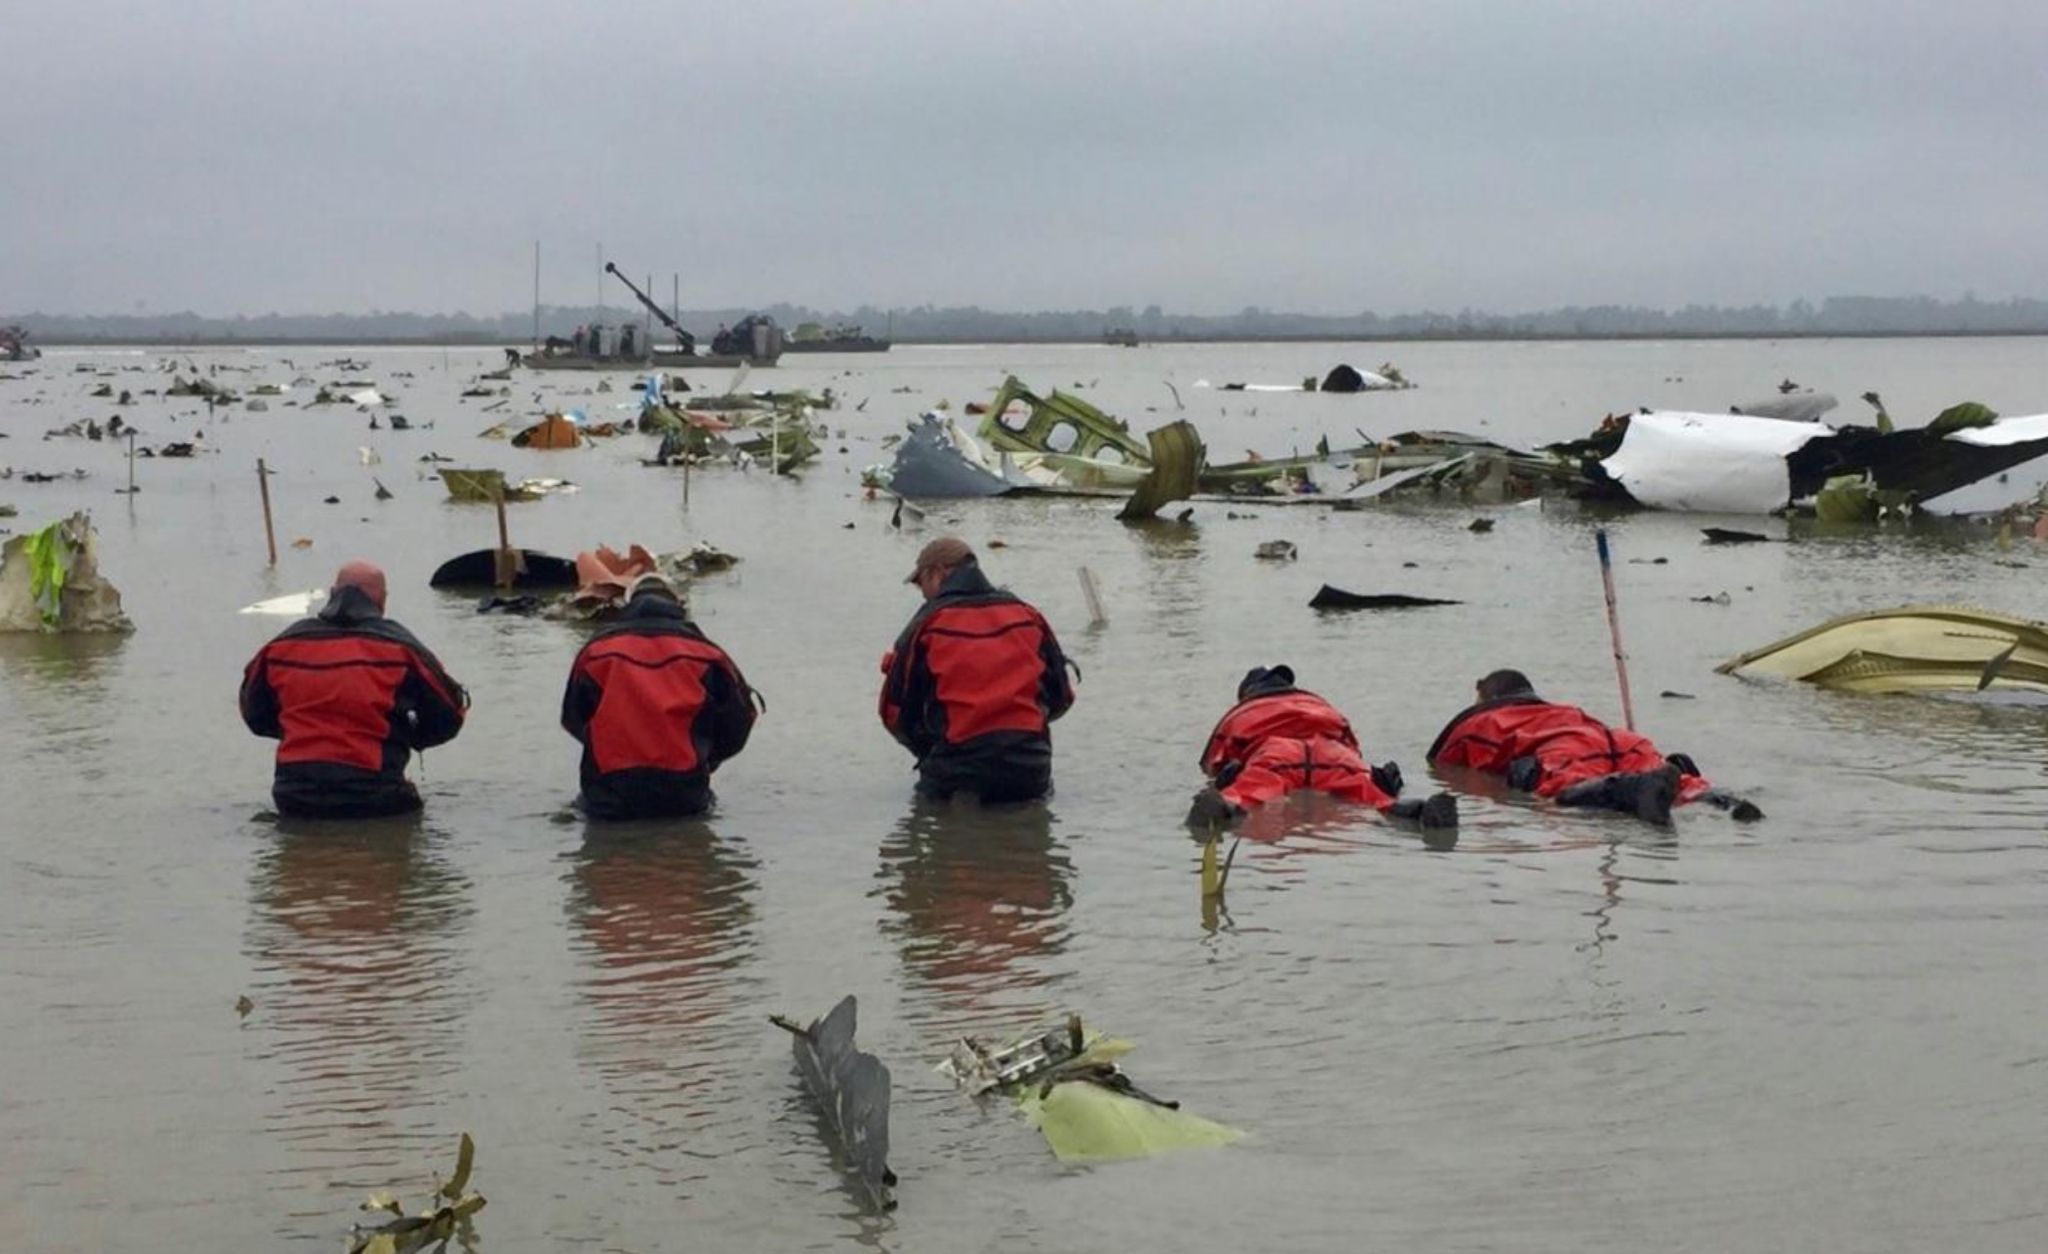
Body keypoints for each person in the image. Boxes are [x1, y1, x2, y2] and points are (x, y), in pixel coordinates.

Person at [240, 560, 468, 818]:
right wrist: (409, 736)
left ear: (332, 593)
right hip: (375, 793)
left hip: (294, 794)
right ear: (382, 600)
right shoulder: (401, 648)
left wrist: (294, 730)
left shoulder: (280, 647)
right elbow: (450, 714)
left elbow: (254, 715)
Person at [1426, 669, 1761, 824]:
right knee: (1680, 782)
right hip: (1619, 740)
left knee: (1565, 790)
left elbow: (1444, 761)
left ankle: (1635, 789)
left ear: (1485, 695)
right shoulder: (1563, 711)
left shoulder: (1486, 721)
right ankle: (1725, 803)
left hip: (1568, 750)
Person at [880, 537, 1074, 803]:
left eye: (919, 583)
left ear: (936, 574)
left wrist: (927, 752)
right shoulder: (1026, 615)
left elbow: (894, 713)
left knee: (931, 825)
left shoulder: (927, 624)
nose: (922, 593)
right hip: (1030, 769)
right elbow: (1062, 696)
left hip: (958, 769)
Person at [561, 572, 757, 819]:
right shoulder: (707, 654)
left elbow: (572, 718)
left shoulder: (596, 652)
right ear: (678, 606)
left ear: (628, 605)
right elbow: (740, 720)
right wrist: (706, 758)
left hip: (608, 791)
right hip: (683, 792)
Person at [1187, 665, 1457, 830]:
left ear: (1247, 694)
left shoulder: (1243, 713)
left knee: (1247, 794)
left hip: (1274, 754)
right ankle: (1419, 812)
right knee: (1374, 799)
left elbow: (1214, 762)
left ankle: (1226, 810)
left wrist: (1223, 785)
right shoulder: (1319, 706)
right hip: (1331, 753)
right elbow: (1353, 751)